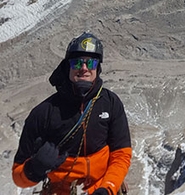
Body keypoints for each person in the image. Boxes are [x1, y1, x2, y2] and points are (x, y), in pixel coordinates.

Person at [12, 32, 132, 195]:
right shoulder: (43, 113)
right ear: (67, 66)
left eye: (90, 63)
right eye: (77, 63)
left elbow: (121, 154)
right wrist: (34, 168)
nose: (84, 68)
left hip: (103, 187)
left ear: (98, 67)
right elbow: (18, 176)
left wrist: (108, 187)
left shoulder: (110, 103)